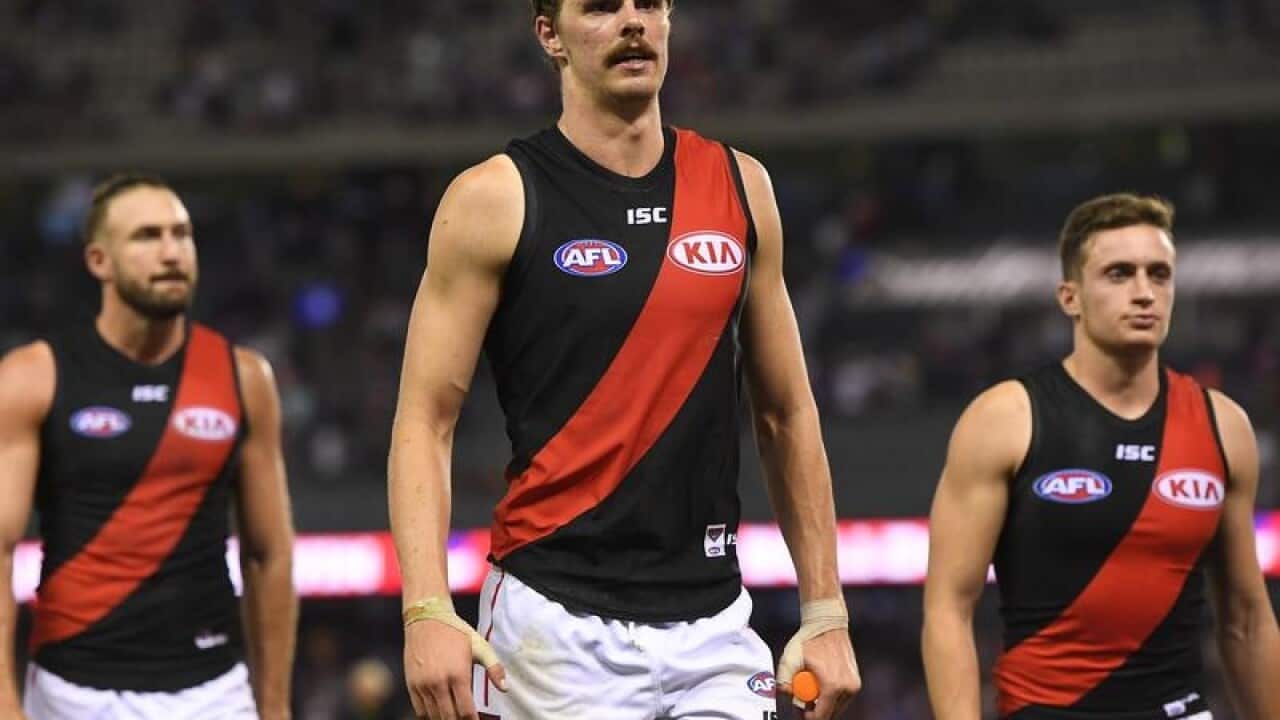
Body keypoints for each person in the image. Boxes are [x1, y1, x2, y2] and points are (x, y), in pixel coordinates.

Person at [387, 1, 861, 719]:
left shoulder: (741, 188)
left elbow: (786, 412)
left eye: (650, 3)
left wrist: (825, 611)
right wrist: (425, 608)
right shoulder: (492, 200)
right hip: (551, 627)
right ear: (549, 34)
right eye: (603, 6)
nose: (633, 21)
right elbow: (425, 420)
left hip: (716, 628)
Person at [922, 193, 1280, 719]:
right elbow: (948, 610)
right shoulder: (1004, 420)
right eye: (1119, 274)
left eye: (1159, 274)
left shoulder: (1223, 426)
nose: (1144, 293)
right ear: (1070, 297)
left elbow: (1246, 618)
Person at [0, 174, 298, 719]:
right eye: (147, 236)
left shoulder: (244, 378)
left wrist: (276, 708)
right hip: (72, 695)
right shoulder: (33, 378)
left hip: (215, 693)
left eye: (181, 234)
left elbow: (269, 553)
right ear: (99, 261)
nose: (171, 251)